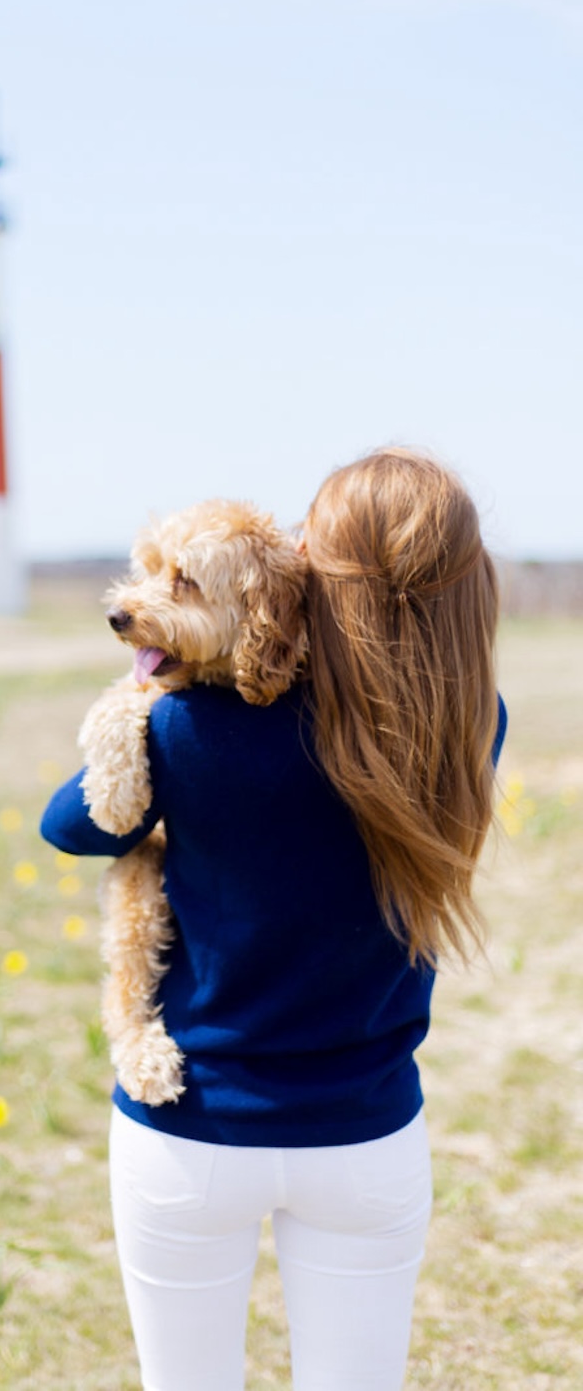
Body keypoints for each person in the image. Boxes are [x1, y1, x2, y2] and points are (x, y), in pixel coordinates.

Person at [39, 448, 507, 1391]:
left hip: (189, 1125)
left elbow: (71, 826)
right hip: (364, 1137)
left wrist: (141, 699)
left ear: (316, 577)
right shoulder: (469, 725)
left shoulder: (181, 727)